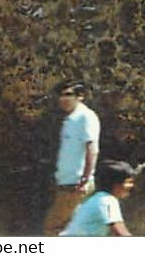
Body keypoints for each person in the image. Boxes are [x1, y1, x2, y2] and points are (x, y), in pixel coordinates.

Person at [42, 82, 101, 236]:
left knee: (53, 227)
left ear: (80, 97)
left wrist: (85, 178)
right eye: (60, 95)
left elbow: (92, 148)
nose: (63, 99)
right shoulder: (70, 119)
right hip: (66, 183)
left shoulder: (85, 117)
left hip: (75, 184)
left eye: (68, 95)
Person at [61, 161, 135, 237]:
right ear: (115, 184)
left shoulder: (97, 198)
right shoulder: (108, 201)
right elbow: (121, 233)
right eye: (128, 182)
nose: (132, 185)